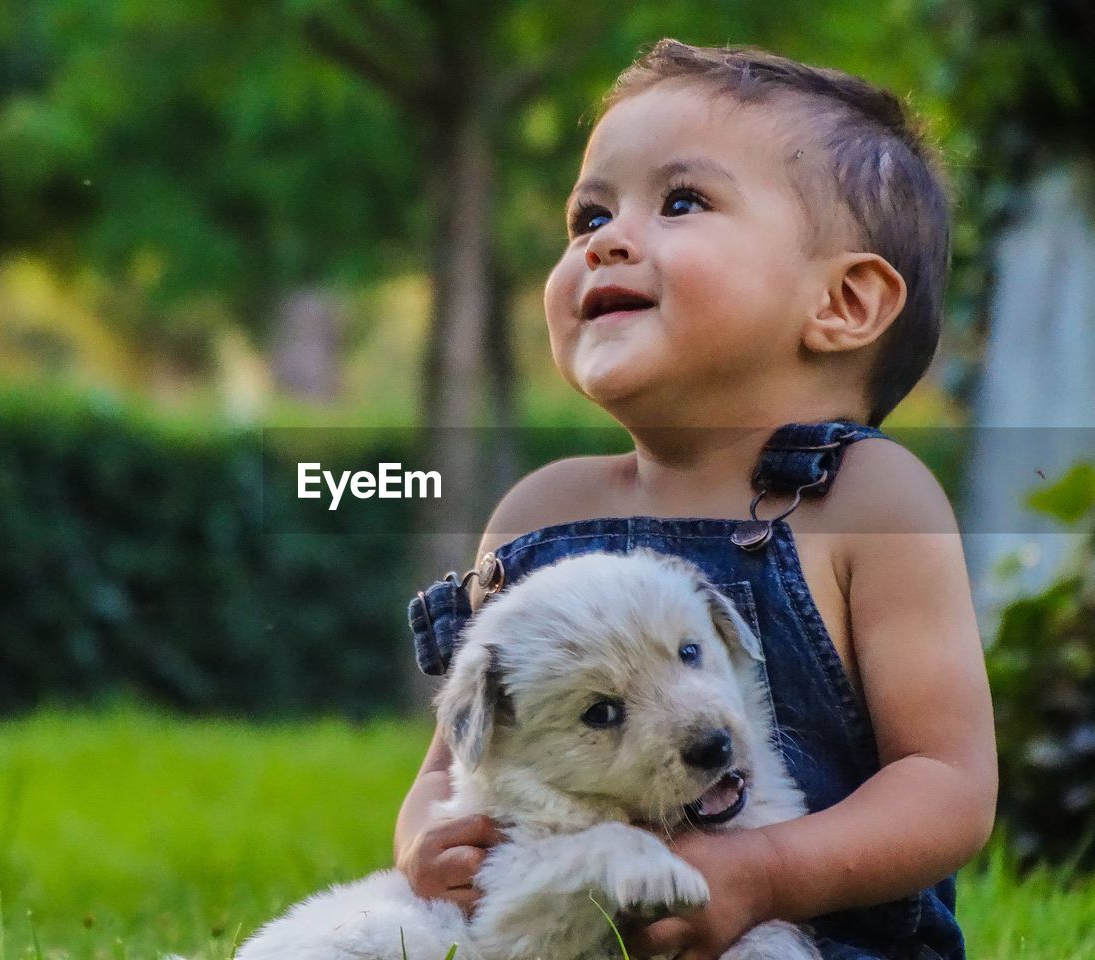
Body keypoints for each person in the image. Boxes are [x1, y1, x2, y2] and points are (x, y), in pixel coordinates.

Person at [393, 39, 997, 960]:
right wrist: (423, 840)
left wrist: (765, 873)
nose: (605, 239)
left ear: (842, 302)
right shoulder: (540, 512)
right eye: (587, 215)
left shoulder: (865, 498)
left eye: (681, 202)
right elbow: (457, 763)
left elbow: (947, 784)